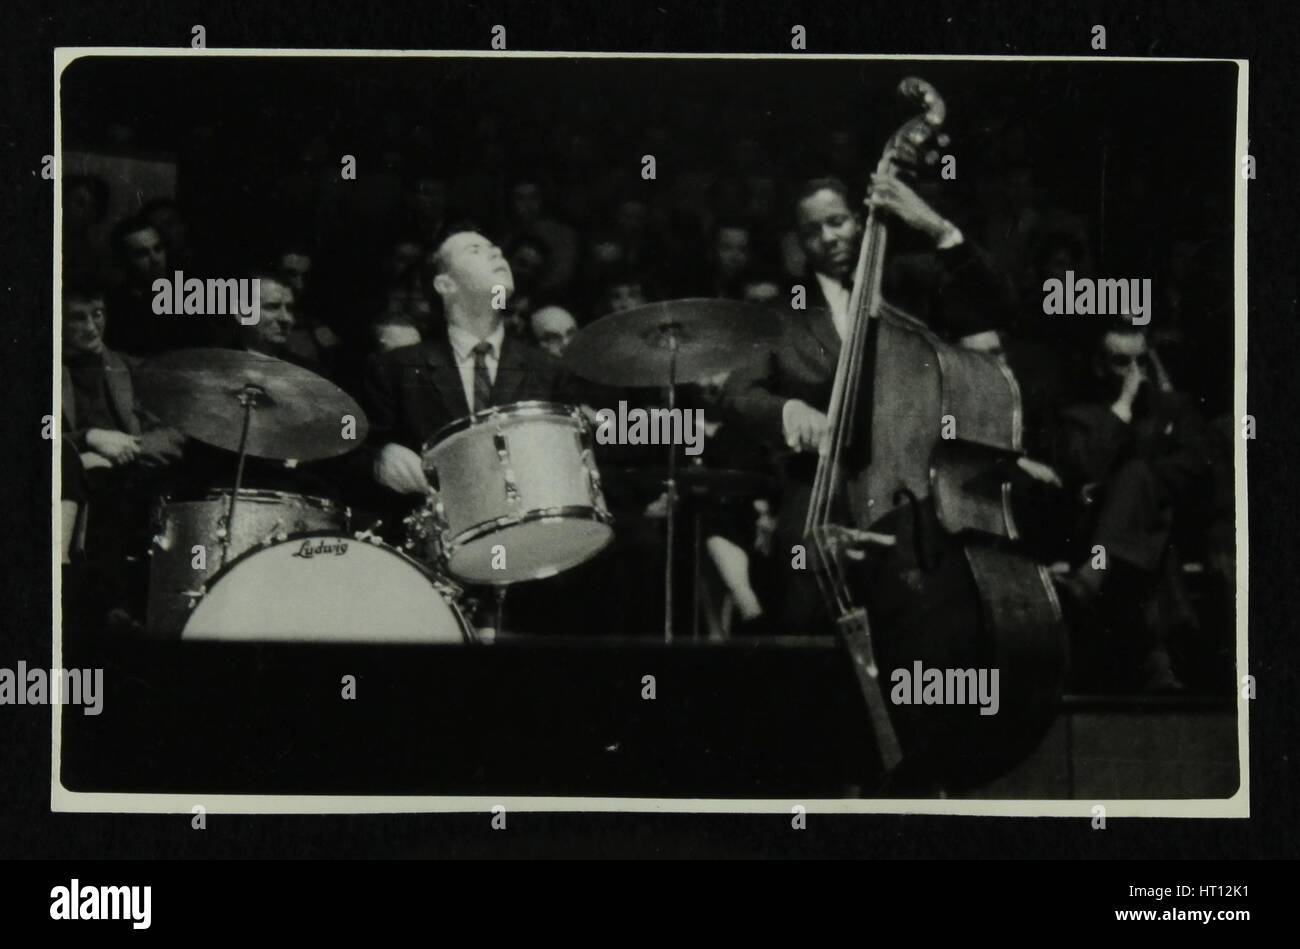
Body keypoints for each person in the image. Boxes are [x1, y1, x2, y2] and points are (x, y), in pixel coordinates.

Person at [722, 173, 1013, 634]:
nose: (828, 237)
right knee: (797, 581)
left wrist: (939, 228)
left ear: (858, 221)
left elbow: (995, 298)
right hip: (821, 482)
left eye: (837, 222)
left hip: (914, 482)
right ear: (800, 241)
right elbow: (738, 394)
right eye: (813, 231)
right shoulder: (781, 313)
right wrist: (787, 410)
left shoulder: (908, 283)